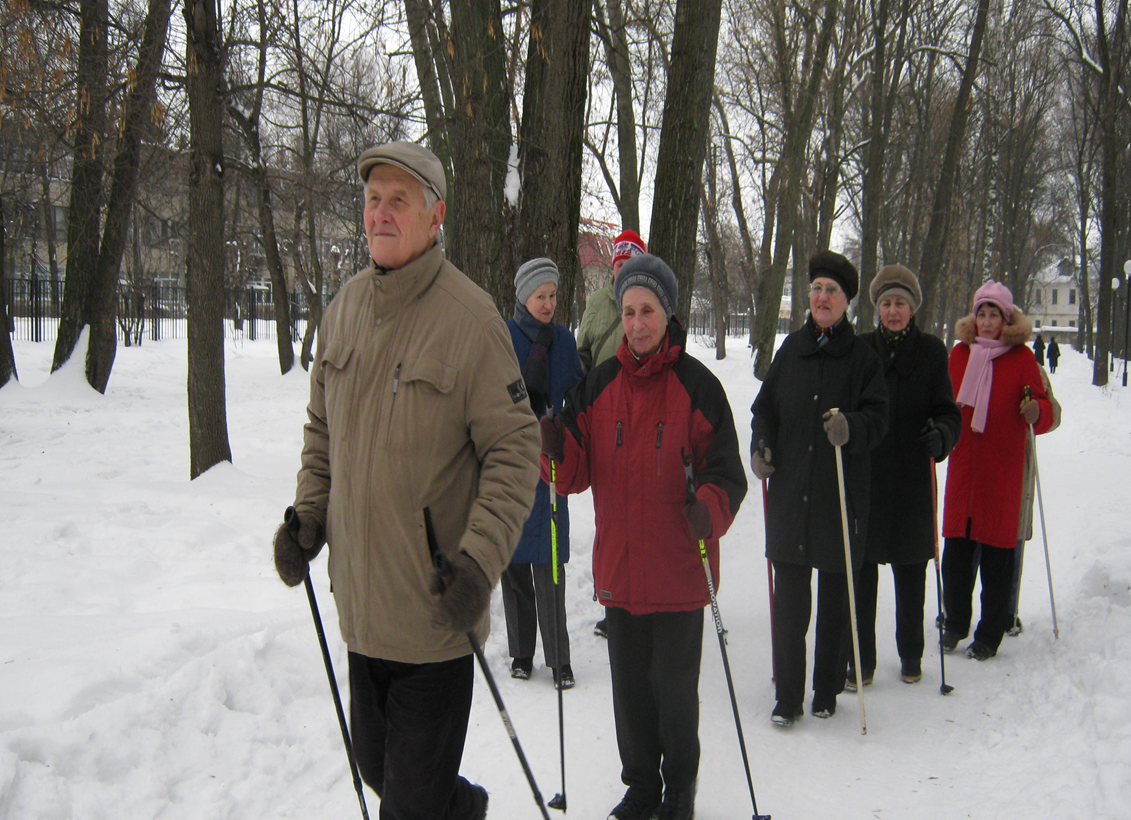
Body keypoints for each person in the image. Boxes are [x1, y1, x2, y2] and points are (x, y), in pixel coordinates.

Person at [272, 141, 540, 820]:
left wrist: (478, 565)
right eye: (371, 199)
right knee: (381, 773)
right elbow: (321, 431)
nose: (379, 214)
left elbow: (515, 448)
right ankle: (464, 808)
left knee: (408, 808)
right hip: (362, 612)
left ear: (435, 215)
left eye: (398, 200)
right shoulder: (346, 309)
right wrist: (308, 518)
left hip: (434, 616)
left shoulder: (471, 320)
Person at [540, 254, 747, 820]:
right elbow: (575, 475)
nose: (636, 322)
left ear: (667, 314)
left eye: (647, 310)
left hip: (680, 572)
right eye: (629, 311)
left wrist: (710, 507)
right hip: (622, 574)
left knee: (675, 695)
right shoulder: (599, 385)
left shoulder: (698, 387)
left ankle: (679, 792)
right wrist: (555, 450)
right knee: (630, 695)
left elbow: (727, 473)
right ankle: (641, 790)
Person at [750, 250, 888, 726]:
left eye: (831, 291)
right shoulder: (791, 350)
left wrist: (851, 426)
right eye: (816, 290)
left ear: (846, 300)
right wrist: (762, 444)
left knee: (834, 601)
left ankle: (826, 688)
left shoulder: (864, 358)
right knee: (790, 604)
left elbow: (879, 419)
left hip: (839, 499)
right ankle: (788, 696)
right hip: (791, 497)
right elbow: (763, 409)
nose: (822, 297)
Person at [840, 265, 961, 691]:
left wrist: (941, 435)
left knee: (911, 572)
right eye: (887, 303)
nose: (893, 311)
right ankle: (862, 660)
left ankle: (911, 654)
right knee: (864, 571)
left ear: (912, 309)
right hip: (869, 476)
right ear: (878, 308)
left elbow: (949, 411)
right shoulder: (861, 348)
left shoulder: (931, 351)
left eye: (901, 304)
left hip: (912, 477)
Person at [941, 281, 1054, 661]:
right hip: (963, 469)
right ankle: (954, 623)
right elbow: (941, 401)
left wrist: (1036, 410)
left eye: (994, 314)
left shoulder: (1021, 358)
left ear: (1006, 319)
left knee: (997, 559)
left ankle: (989, 633)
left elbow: (1042, 405)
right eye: (981, 313)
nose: (987, 321)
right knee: (956, 553)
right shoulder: (958, 354)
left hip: (1001, 471)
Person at [502, 257, 584, 687]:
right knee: (514, 564)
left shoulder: (565, 341)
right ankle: (520, 652)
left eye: (553, 295)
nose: (548, 303)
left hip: (550, 463)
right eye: (540, 296)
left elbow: (577, 395)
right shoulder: (504, 337)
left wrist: (563, 427)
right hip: (511, 464)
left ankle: (559, 658)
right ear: (523, 296)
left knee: (550, 563)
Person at [575, 227, 646, 639]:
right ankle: (613, 601)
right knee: (611, 514)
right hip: (606, 416)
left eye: (629, 262)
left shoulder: (649, 302)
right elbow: (584, 351)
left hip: (643, 414)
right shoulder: (598, 306)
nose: (621, 269)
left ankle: (642, 597)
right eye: (618, 263)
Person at [1008, 366, 1062, 636]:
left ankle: (1007, 611)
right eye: (983, 318)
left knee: (1011, 538)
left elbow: (1054, 413)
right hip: (977, 467)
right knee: (967, 539)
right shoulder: (970, 357)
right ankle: (956, 612)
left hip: (1015, 466)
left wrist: (1039, 411)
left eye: (998, 318)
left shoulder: (1029, 367)